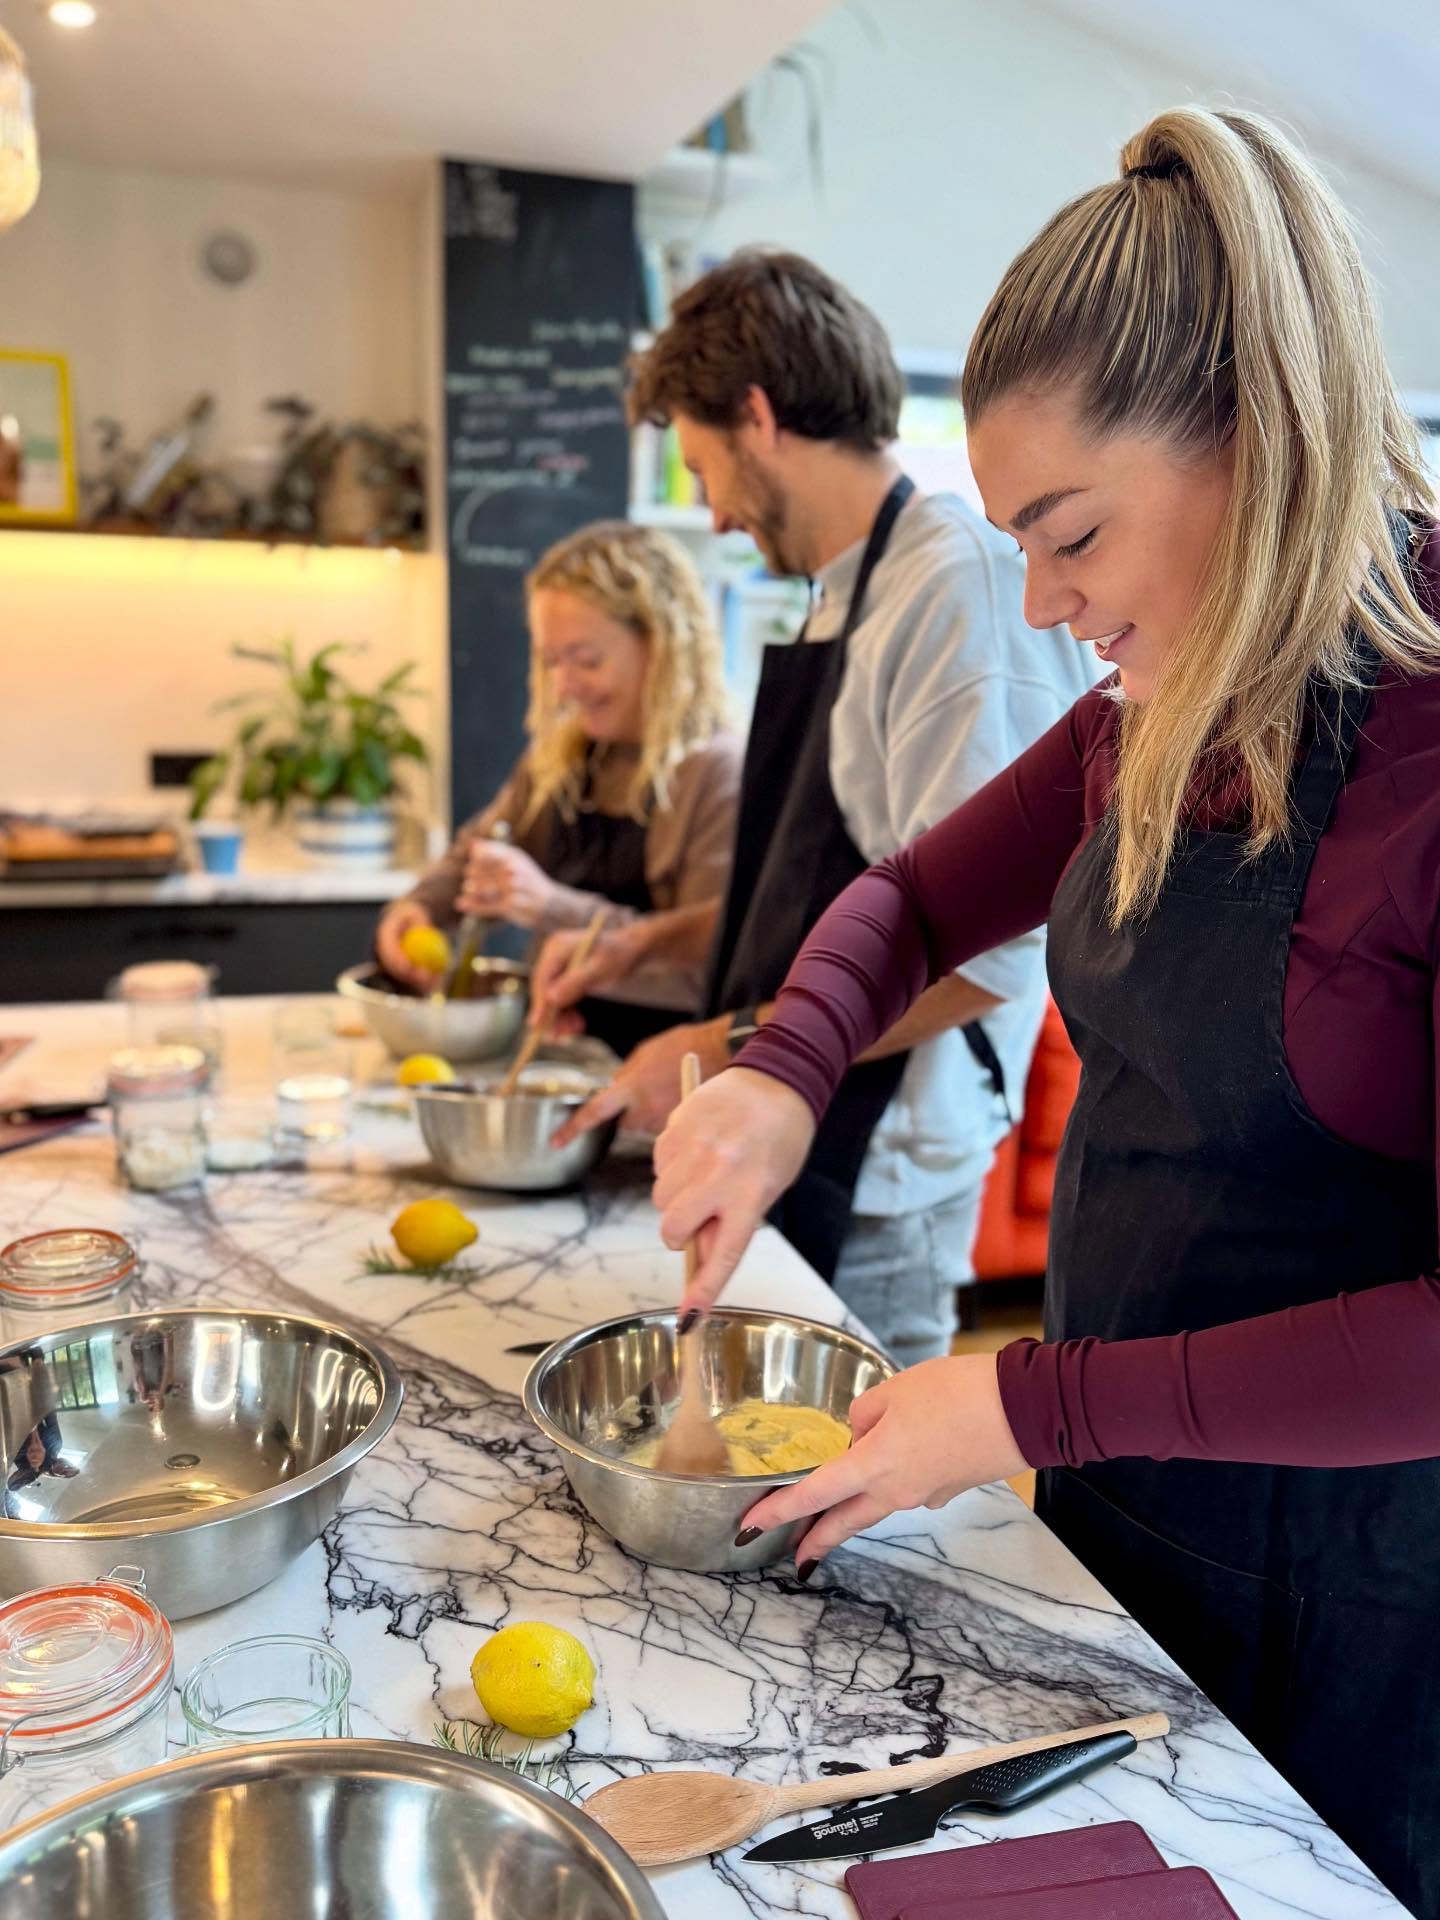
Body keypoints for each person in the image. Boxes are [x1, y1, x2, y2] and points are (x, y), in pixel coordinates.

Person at [647, 108, 1440, 1914]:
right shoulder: (1159, 710)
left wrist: (1029, 1403)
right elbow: (907, 894)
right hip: (1111, 1514)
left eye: (1070, 532)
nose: (1043, 597)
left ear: (1259, 433)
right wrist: (781, 1071)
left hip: (1363, 1597)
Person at [534, 251, 1096, 1366]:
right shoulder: (847, 595)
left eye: (704, 469)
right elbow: (808, 904)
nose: (717, 513)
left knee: (858, 1520)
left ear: (757, 415)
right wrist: (645, 943)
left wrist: (725, 1045)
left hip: (878, 1170)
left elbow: (986, 958)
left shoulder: (956, 587)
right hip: (795, 1131)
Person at [377, 521, 741, 1056]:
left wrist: (551, 907)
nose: (565, 686)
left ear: (662, 644)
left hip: (666, 1074)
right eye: (551, 661)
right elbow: (476, 853)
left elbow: (709, 965)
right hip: (561, 1057)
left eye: (587, 660)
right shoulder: (563, 756)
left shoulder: (718, 773)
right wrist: (418, 909)